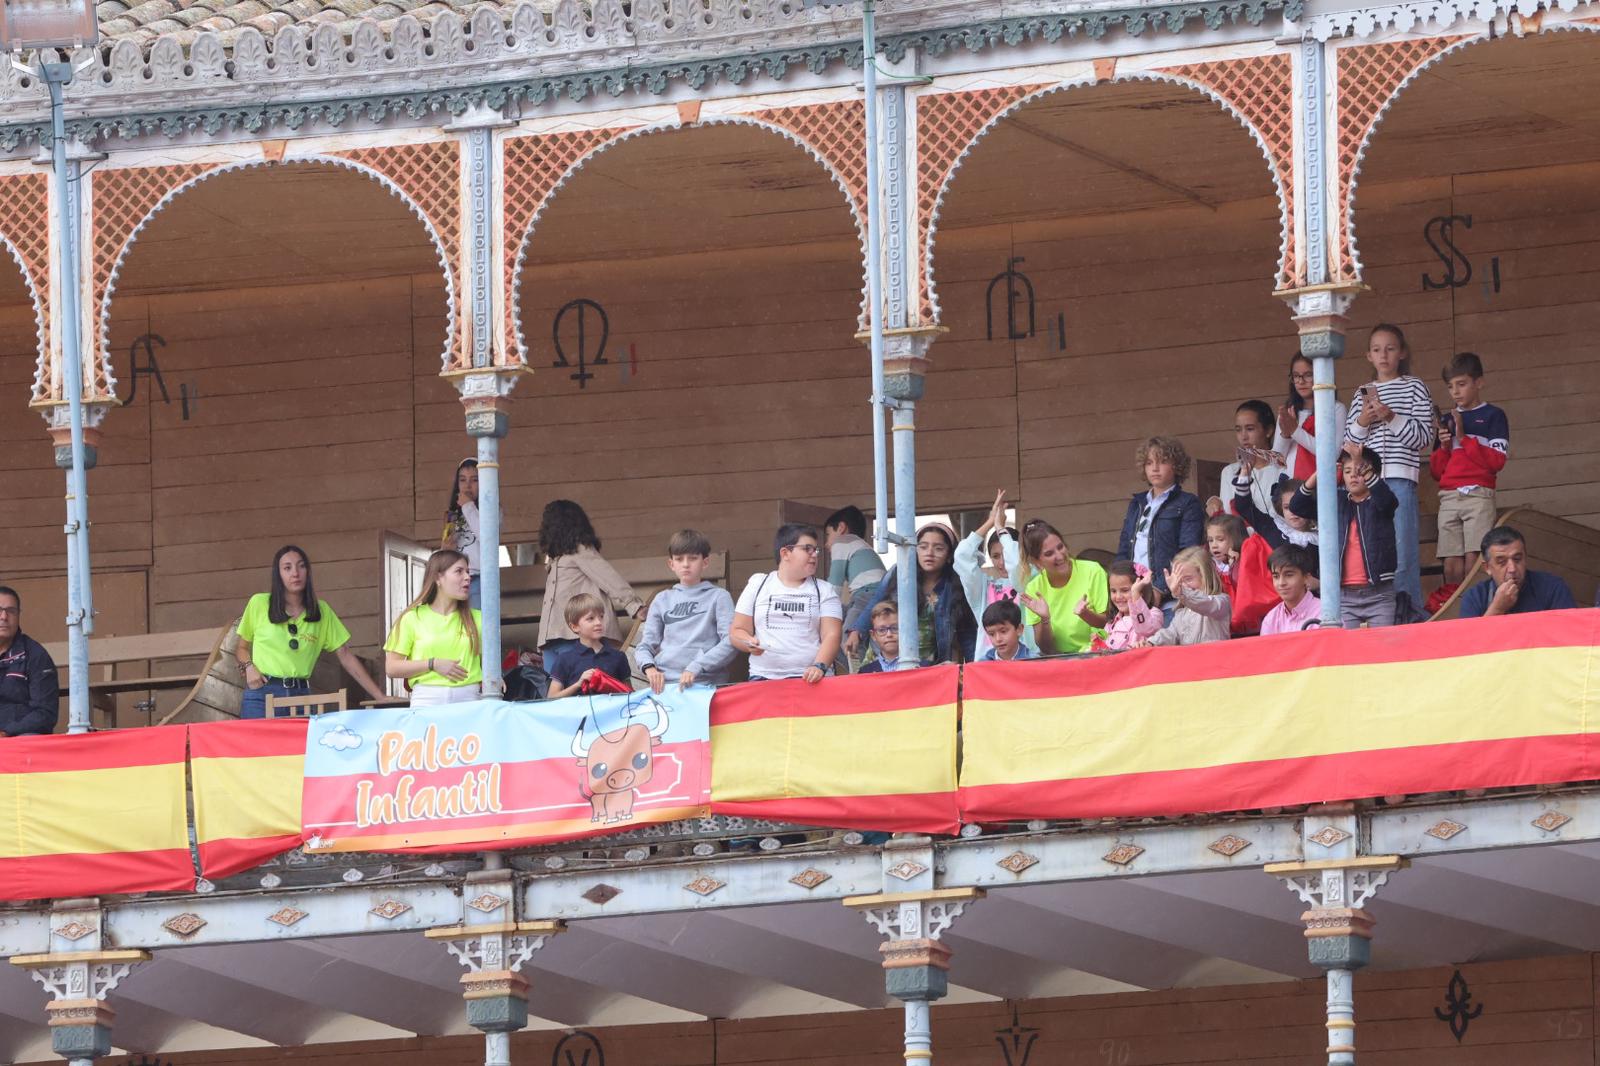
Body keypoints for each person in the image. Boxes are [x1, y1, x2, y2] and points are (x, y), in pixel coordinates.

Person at [1345, 324, 1435, 616]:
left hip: (1399, 479)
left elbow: (1423, 439)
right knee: (1372, 552)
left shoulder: (1414, 386)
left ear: (1402, 352)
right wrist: (1363, 420)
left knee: (1402, 553)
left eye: (1390, 348)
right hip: (1366, 486)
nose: (1383, 355)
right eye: (1376, 349)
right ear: (1368, 356)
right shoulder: (1361, 394)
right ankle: (1380, 614)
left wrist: (1392, 417)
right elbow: (1349, 446)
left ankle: (1408, 616)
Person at [236, 546, 387, 719]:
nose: (295, 573)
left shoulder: (321, 611)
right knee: (258, 746)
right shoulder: (259, 603)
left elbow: (345, 655)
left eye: (301, 566)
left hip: (301, 695)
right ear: (278, 574)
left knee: (302, 746)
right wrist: (249, 667)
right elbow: (241, 648)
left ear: (308, 571)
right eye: (287, 568)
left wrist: (379, 696)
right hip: (262, 694)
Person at [1292, 443, 1399, 628]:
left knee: (1383, 649)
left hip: (1379, 594)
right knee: (1346, 652)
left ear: (1372, 474)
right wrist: (1319, 475)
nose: (1353, 475)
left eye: (1359, 469)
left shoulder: (1380, 501)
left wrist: (1360, 463)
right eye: (1348, 471)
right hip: (1343, 596)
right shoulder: (1336, 502)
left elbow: (1388, 501)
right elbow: (1297, 506)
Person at [1431, 353, 1509, 594]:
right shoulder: (1446, 419)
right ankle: (1453, 608)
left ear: (1479, 383)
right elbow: (1436, 472)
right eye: (1450, 386)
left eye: (1462, 384)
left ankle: (1475, 607)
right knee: (1451, 560)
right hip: (1449, 496)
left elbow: (1496, 461)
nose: (1455, 392)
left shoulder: (1494, 416)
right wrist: (1444, 446)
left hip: (1478, 494)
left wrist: (1463, 439)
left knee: (1474, 558)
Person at [847, 523, 977, 666]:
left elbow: (967, 632)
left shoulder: (955, 585)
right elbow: (876, 601)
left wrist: (977, 666)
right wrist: (857, 630)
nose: (929, 553)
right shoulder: (899, 572)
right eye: (923, 547)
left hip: (928, 665)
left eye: (938, 548)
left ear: (949, 555)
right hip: (886, 659)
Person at [731, 524, 843, 683]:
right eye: (807, 549)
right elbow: (737, 630)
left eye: (816, 550)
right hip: (764, 677)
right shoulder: (758, 584)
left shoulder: (825, 590)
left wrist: (819, 666)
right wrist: (748, 643)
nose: (814, 555)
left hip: (812, 680)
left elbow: (832, 635)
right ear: (785, 553)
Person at [536, 500, 645, 660]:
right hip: (552, 638)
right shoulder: (555, 559)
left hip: (574, 637)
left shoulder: (581, 550)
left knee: (580, 682)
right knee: (553, 684)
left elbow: (608, 577)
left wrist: (634, 605)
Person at [637, 529, 738, 693]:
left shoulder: (719, 597)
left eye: (693, 558)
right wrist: (649, 668)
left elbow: (731, 642)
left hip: (706, 685)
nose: (685, 564)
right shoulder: (662, 599)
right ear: (671, 564)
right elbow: (645, 646)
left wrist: (698, 666)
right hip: (665, 688)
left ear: (705, 562)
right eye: (679, 559)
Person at [384, 549, 485, 706]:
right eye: (459, 571)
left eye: (467, 572)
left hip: (470, 701)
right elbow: (391, 667)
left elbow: (490, 665)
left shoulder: (479, 618)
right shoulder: (411, 618)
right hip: (426, 701)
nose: (467, 577)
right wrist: (433, 664)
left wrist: (494, 678)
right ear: (438, 577)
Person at [1116, 436, 1205, 602]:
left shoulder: (1188, 503)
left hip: (1169, 595)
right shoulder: (1137, 504)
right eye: (1149, 463)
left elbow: (1187, 553)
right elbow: (1123, 550)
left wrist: (1159, 589)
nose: (1155, 468)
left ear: (1176, 466)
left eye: (1162, 462)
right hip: (1135, 590)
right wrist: (1121, 585)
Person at [953, 489, 1033, 660]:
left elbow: (1017, 565)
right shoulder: (983, 587)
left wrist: (1001, 529)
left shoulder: (1030, 580)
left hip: (1027, 660)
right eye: (996, 556)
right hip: (988, 666)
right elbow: (962, 556)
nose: (1002, 562)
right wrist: (990, 521)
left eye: (1006, 554)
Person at [1019, 520, 1110, 655]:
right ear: (1036, 561)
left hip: (1098, 654)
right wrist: (1045, 620)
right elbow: (1046, 648)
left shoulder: (1093, 570)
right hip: (1061, 660)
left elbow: (1107, 623)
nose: (1060, 556)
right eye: (1049, 554)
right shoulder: (1034, 588)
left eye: (1060, 547)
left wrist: (1085, 614)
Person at [1459, 527, 1577, 618]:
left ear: (1525, 558)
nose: (1512, 569)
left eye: (1517, 559)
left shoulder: (1552, 588)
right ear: (1487, 568)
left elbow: (1570, 636)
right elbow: (1470, 645)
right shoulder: (1474, 597)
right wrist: (1497, 609)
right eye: (1502, 562)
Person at [1274, 352, 1347, 483]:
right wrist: (1285, 435)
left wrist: (1295, 431)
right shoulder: (1288, 411)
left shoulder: (1336, 409)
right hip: (1289, 487)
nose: (1301, 381)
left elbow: (1332, 455)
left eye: (1308, 375)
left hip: (1321, 485)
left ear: (1322, 375)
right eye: (1296, 376)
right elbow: (1276, 462)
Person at [1210, 401, 1286, 526]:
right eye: (1238, 430)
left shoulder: (1283, 469)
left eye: (1250, 429)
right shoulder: (1229, 472)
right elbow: (1228, 518)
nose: (1243, 436)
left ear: (1269, 430)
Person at [546, 593, 634, 698]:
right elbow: (551, 698)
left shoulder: (618, 657)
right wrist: (578, 684)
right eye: (590, 618)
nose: (598, 622)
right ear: (574, 627)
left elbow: (630, 695)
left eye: (601, 617)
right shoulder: (565, 659)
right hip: (579, 714)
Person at [1144, 547, 1231, 647]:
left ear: (1206, 575)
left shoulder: (1221, 601)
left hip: (1215, 660)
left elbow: (1205, 603)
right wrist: (1151, 643)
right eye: (1179, 581)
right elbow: (1170, 634)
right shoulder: (1181, 613)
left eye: (1188, 579)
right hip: (1190, 661)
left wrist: (1182, 593)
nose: (1183, 585)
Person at [0, 586, 58, 736]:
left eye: (11, 611)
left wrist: (6, 733)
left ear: (18, 615)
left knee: (31, 739)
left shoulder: (36, 655)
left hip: (20, 737)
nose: (4, 617)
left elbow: (45, 713)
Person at [823, 505, 887, 637]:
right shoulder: (859, 545)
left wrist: (824, 610)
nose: (826, 543)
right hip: (876, 594)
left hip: (867, 593)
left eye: (828, 535)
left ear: (841, 528)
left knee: (846, 636)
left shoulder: (842, 541)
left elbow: (835, 585)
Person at [441, 458, 483, 609]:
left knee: (476, 628)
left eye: (475, 480)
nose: (468, 485)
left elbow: (486, 537)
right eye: (462, 480)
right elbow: (446, 550)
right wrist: (446, 550)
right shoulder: (452, 514)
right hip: (454, 579)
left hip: (478, 579)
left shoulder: (491, 510)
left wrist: (468, 505)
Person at [1095, 561, 1161, 651]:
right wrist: (1099, 642)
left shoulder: (1154, 613)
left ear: (1141, 590)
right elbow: (1107, 651)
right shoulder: (1113, 621)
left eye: (1125, 590)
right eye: (1113, 591)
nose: (1118, 597)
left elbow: (1146, 629)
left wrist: (1135, 596)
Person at [1259, 544, 1321, 636]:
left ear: (1306, 578)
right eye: (1276, 576)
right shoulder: (1271, 618)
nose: (1281, 583)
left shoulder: (1325, 614)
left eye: (1289, 575)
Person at [857, 602, 901, 673]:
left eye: (895, 628)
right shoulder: (865, 673)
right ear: (873, 635)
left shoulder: (922, 668)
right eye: (882, 630)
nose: (889, 634)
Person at [1205, 513, 1247, 585]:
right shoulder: (1212, 566)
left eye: (1220, 540)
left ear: (1236, 539)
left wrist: (1234, 567)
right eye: (1210, 540)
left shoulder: (1245, 563)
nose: (1214, 545)